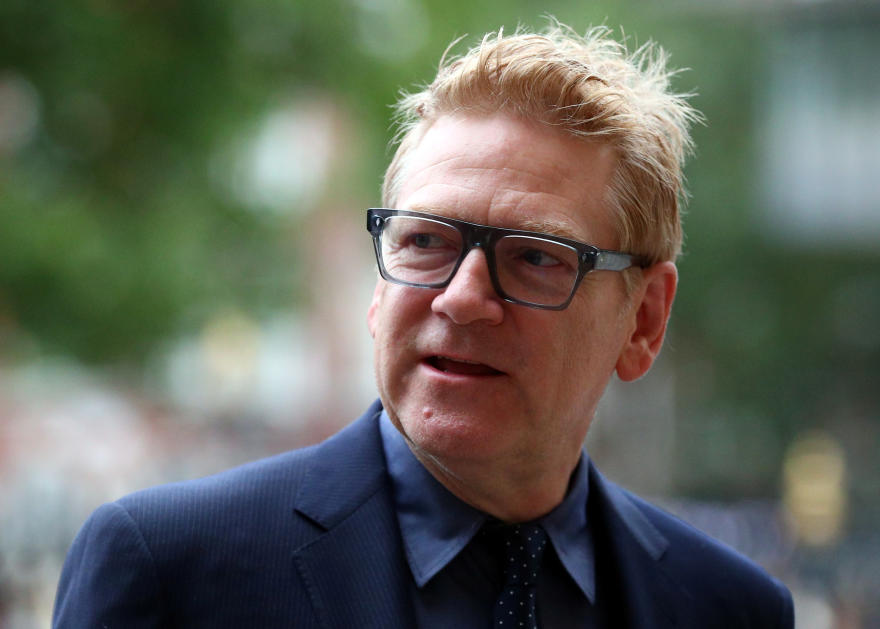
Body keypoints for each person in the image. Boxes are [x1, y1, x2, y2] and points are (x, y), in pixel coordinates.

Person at [53, 22, 794, 628]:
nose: (462, 298)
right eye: (425, 242)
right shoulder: (172, 571)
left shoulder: (730, 609)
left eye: (535, 257)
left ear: (645, 320)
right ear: (379, 288)